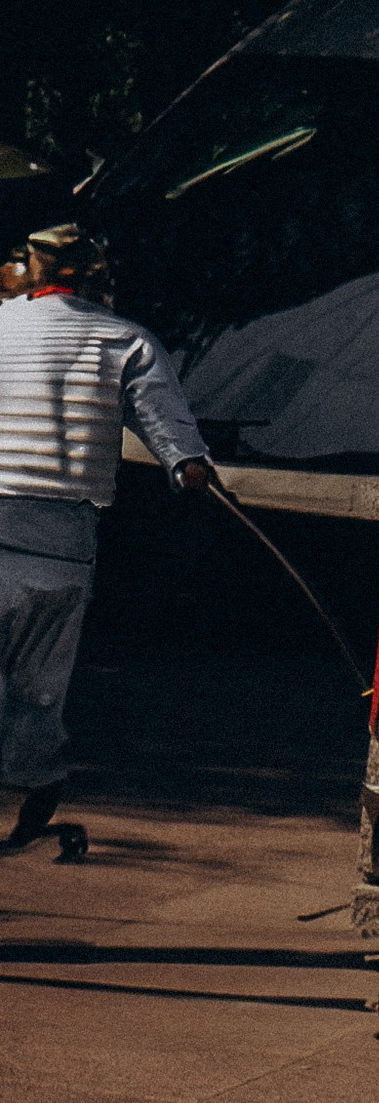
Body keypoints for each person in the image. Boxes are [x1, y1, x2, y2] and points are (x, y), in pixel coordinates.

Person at [0, 222, 212, 850]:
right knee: (38, 682)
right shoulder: (125, 339)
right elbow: (177, 444)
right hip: (60, 543)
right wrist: (189, 466)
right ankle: (34, 796)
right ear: (96, 277)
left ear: (32, 272)